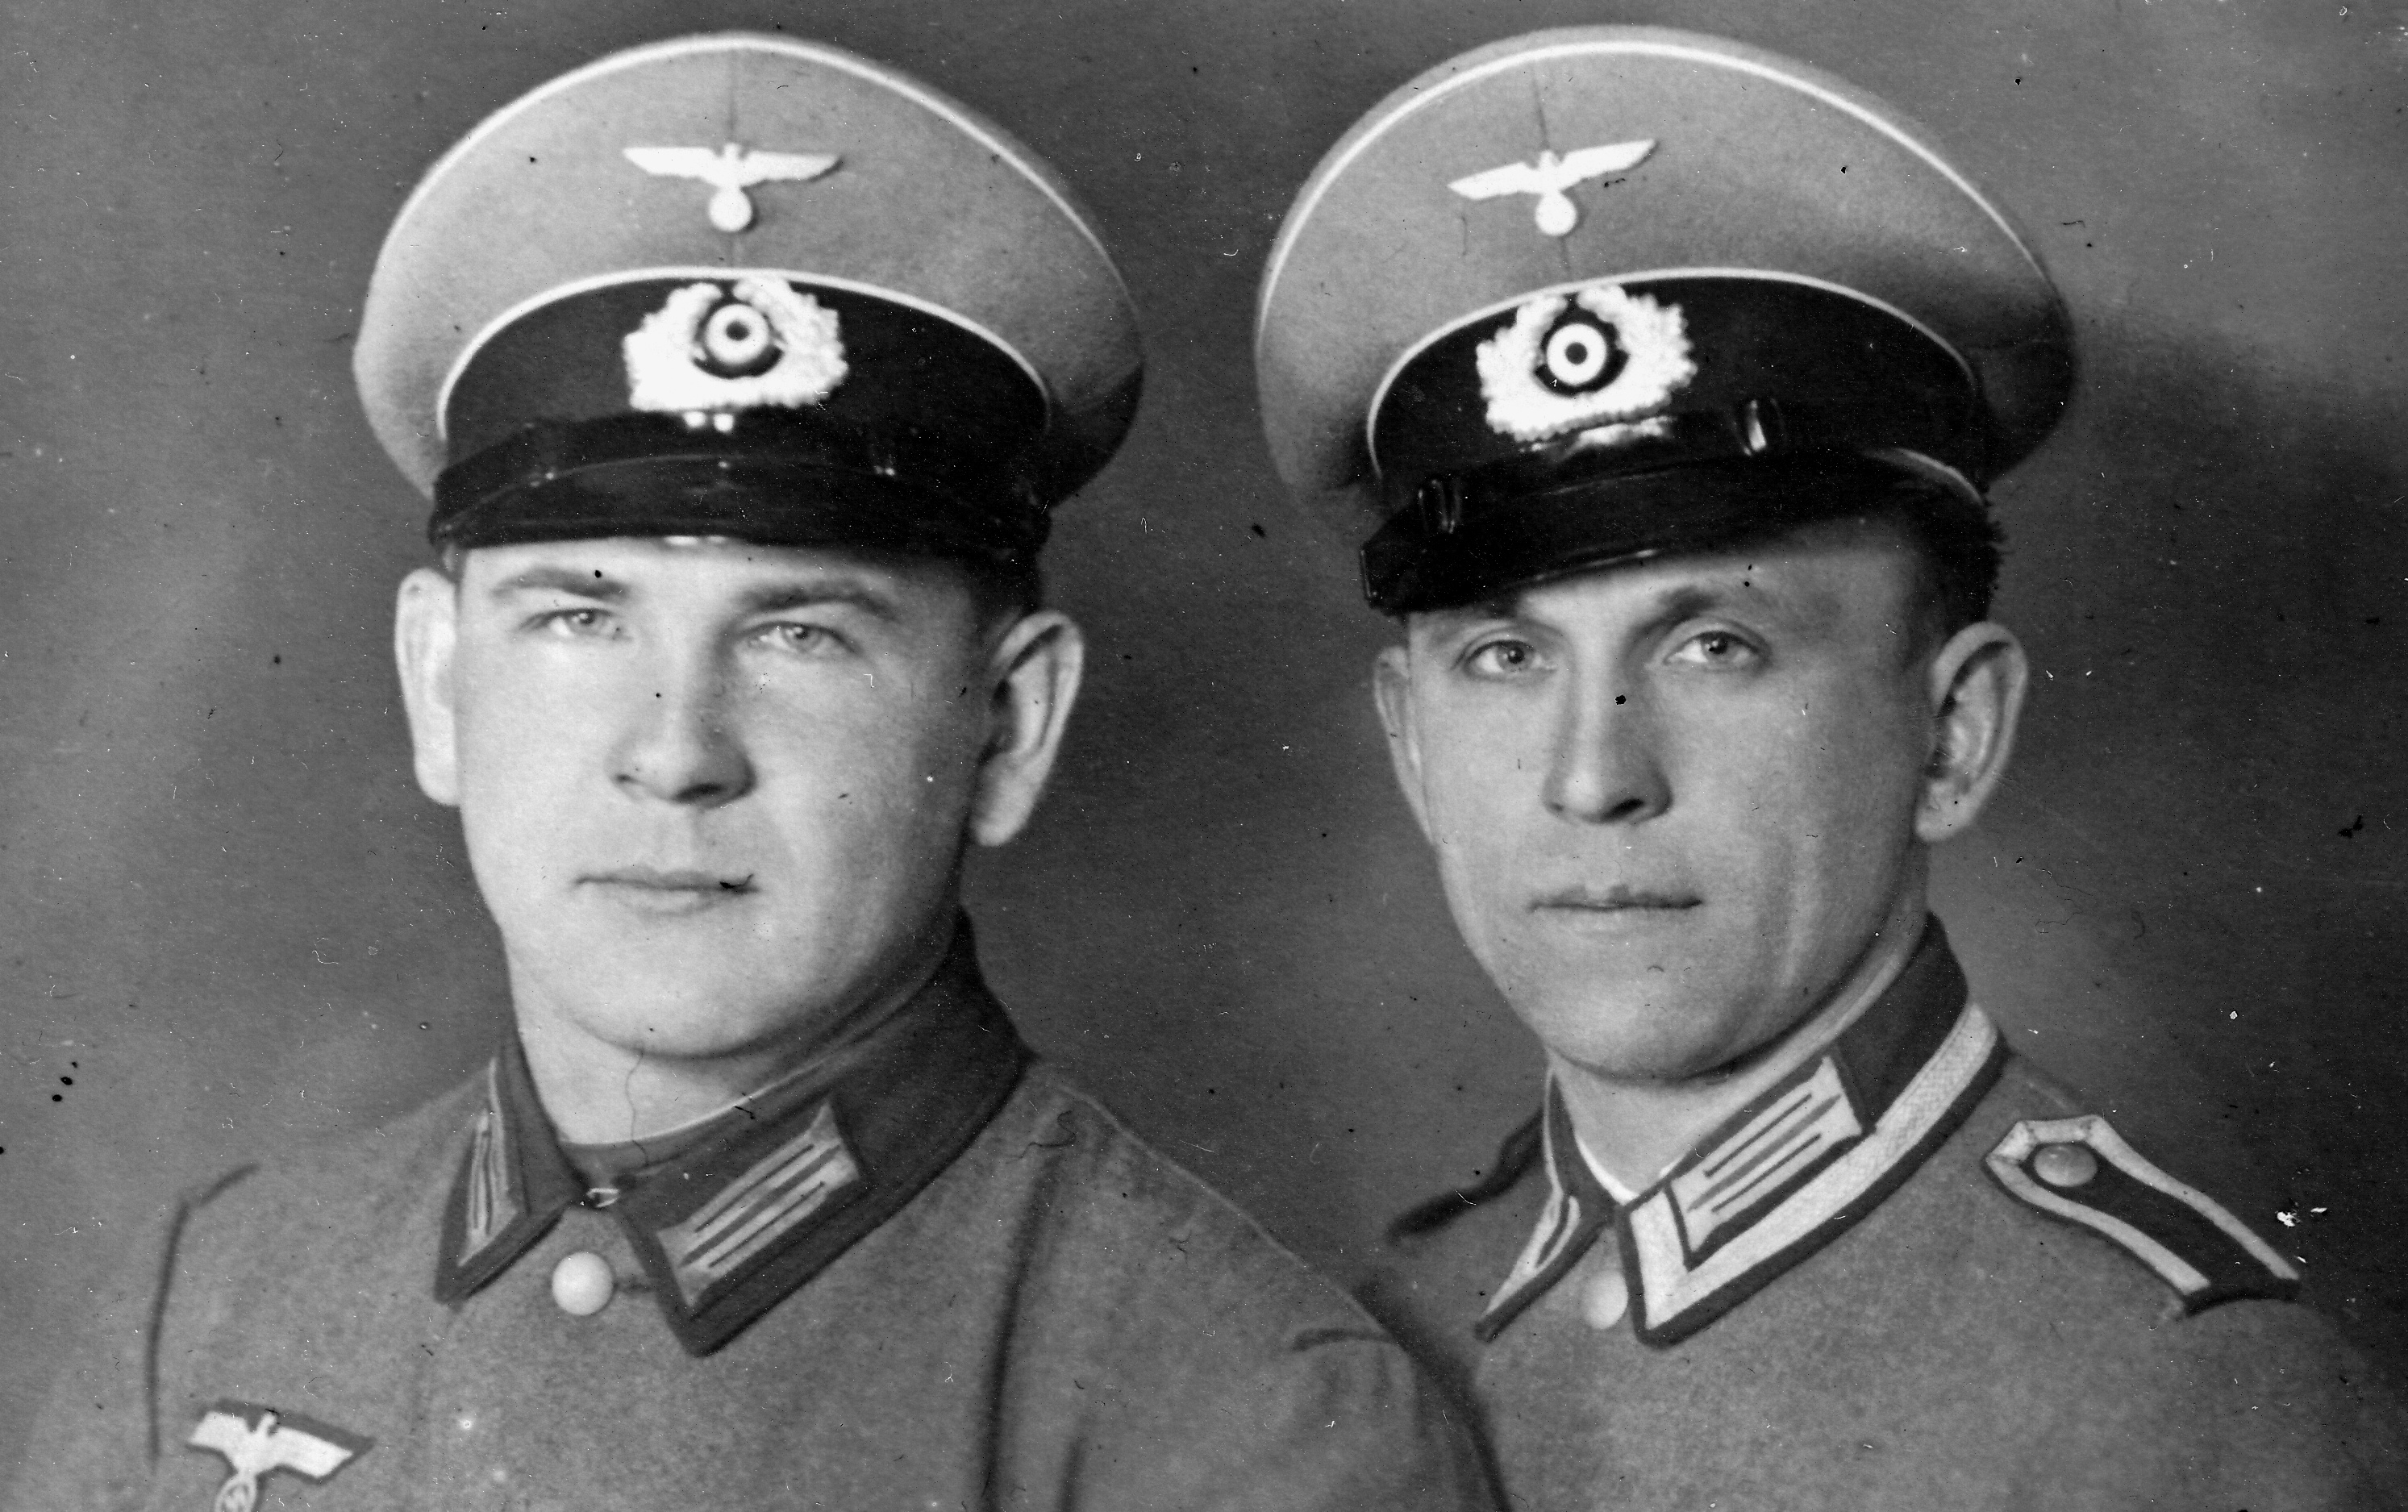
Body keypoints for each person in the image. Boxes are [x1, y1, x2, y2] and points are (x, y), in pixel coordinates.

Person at [10, 33, 1489, 1512]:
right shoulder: (210, 1305)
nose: (674, 753)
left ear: (1007, 724)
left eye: (799, 634)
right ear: (440, 684)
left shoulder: (1248, 1419)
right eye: (579, 619)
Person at [1254, 25, 2408, 1508]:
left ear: (1953, 734)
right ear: (1411, 749)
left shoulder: (2168, 1405)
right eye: (1504, 656)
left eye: (1714, 646)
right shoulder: (1394, 1325)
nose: (1591, 777)